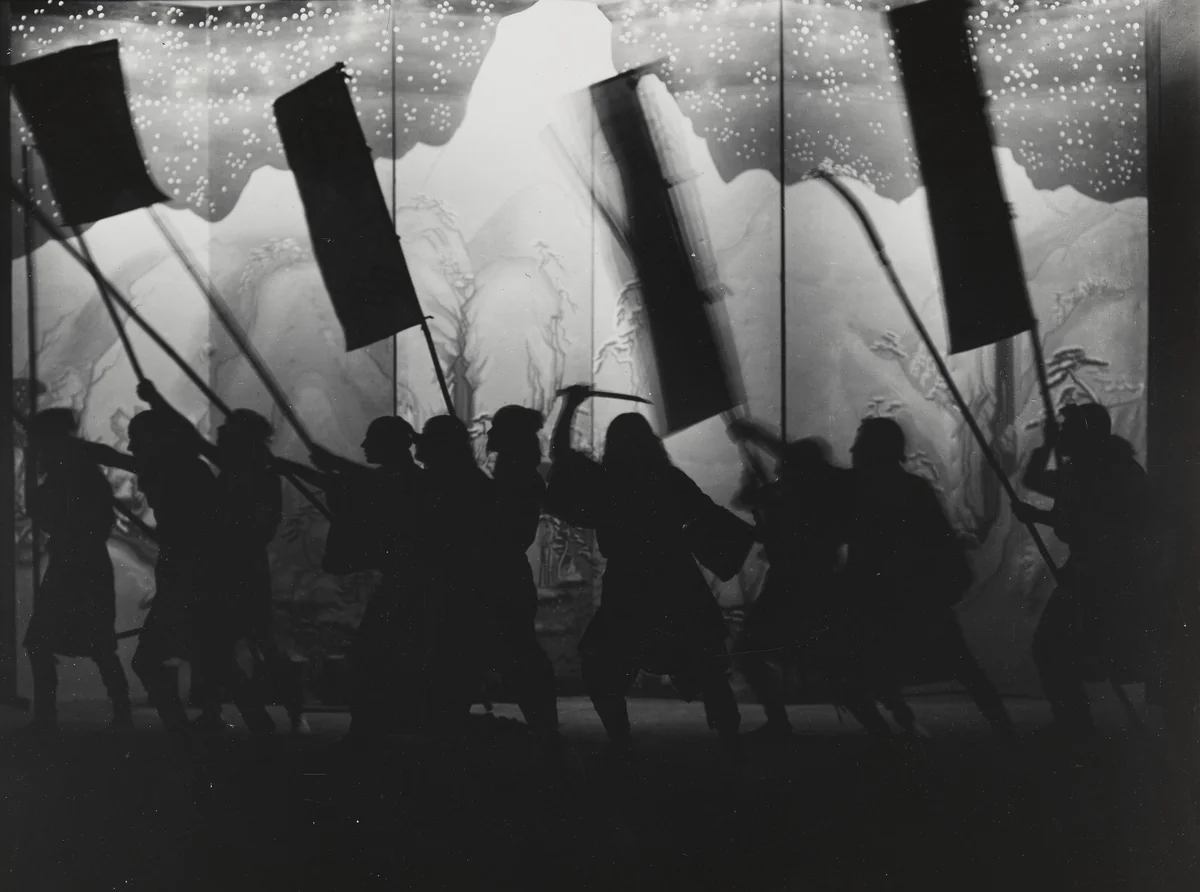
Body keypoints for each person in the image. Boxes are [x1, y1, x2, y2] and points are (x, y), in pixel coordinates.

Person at [545, 386, 742, 763]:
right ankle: (729, 744)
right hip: (675, 580)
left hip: (634, 584)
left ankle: (622, 743)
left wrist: (571, 405)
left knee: (605, 663)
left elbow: (562, 457)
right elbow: (706, 516)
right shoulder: (666, 479)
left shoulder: (609, 481)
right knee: (704, 664)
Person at [101, 403, 273, 734]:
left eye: (137, 438)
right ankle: (254, 726)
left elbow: (198, 531)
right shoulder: (179, 468)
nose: (132, 446)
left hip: (193, 579)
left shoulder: (185, 472)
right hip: (191, 577)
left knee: (162, 660)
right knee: (213, 660)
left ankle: (187, 732)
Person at [844, 417, 1014, 740]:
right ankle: (1001, 730)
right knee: (958, 666)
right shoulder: (903, 488)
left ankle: (898, 731)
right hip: (909, 597)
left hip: (904, 597)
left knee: (871, 666)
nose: (853, 449)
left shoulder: (885, 491)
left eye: (861, 442)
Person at [1016, 403, 1161, 741]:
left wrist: (1048, 445)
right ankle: (1074, 721)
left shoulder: (1095, 472)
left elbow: (1090, 521)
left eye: (1066, 429)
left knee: (1053, 645)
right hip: (1102, 572)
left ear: (1084, 434)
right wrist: (1037, 515)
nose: (1062, 433)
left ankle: (1075, 723)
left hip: (1099, 576)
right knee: (1064, 645)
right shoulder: (1107, 469)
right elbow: (1073, 511)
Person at [729, 421, 880, 740]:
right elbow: (748, 503)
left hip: (810, 585)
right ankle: (875, 727)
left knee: (830, 665)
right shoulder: (790, 493)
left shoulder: (824, 493)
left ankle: (879, 727)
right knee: (755, 651)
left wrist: (757, 440)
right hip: (789, 583)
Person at [289, 415, 427, 741]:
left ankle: (379, 731)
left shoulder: (410, 481)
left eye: (371, 440)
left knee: (378, 657)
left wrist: (331, 464)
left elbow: (368, 485)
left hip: (414, 586)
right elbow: (344, 485)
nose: (364, 446)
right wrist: (294, 468)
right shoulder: (389, 478)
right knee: (377, 657)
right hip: (399, 583)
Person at [22, 408, 133, 732]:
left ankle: (50, 717)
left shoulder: (74, 465)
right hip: (79, 560)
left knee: (83, 642)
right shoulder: (71, 464)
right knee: (83, 643)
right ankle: (115, 713)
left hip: (78, 561)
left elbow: (40, 511)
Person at [483, 405, 560, 747]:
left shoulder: (516, 478)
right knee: (519, 652)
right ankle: (544, 727)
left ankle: (545, 728)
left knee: (519, 654)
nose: (490, 433)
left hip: (502, 574)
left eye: (497, 427)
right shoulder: (518, 474)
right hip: (507, 573)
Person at [415, 414, 495, 733]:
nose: (418, 442)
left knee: (448, 658)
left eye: (425, 436)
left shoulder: (452, 483)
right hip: (456, 583)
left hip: (453, 585)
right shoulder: (465, 479)